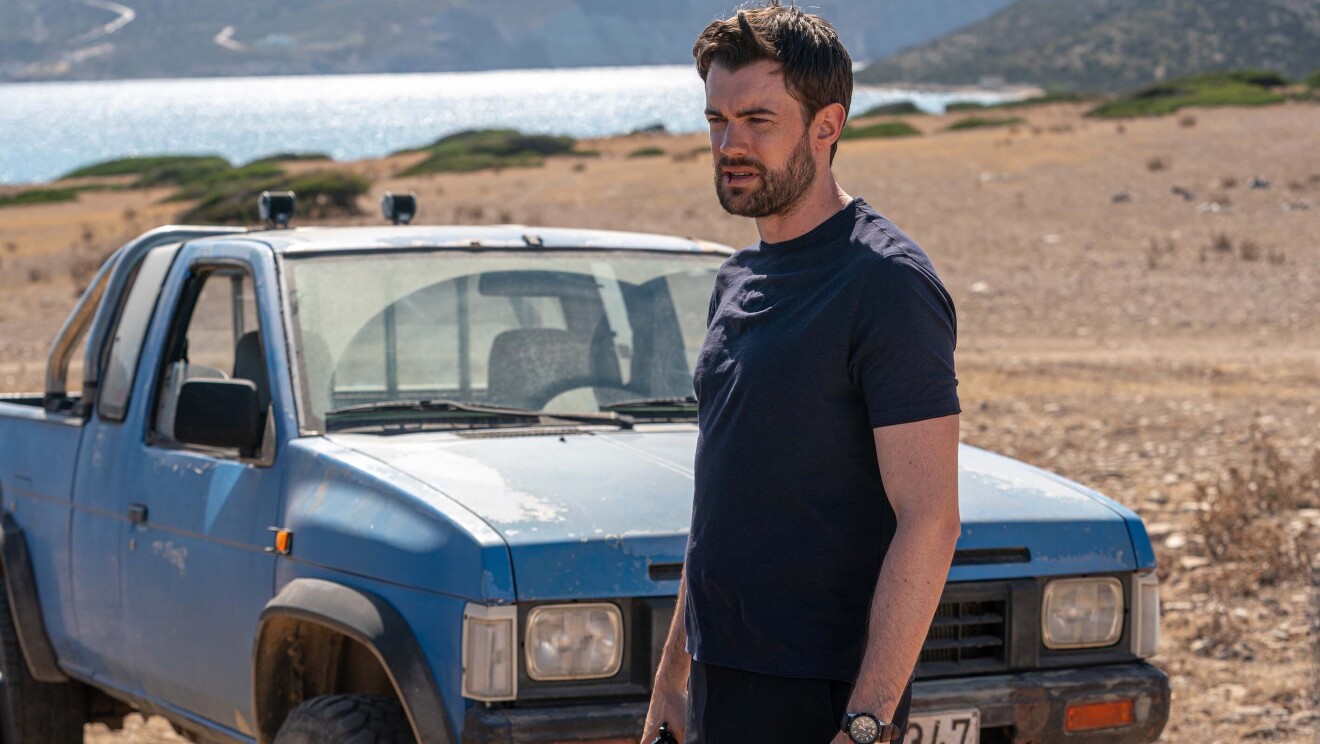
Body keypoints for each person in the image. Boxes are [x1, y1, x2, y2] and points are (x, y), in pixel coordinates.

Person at [641, 3, 962, 743]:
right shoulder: (737, 278)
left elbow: (931, 519)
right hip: (720, 675)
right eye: (717, 120)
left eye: (758, 119)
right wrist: (674, 675)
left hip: (823, 694)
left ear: (827, 125)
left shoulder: (885, 282)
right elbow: (722, 497)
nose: (730, 144)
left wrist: (868, 719)